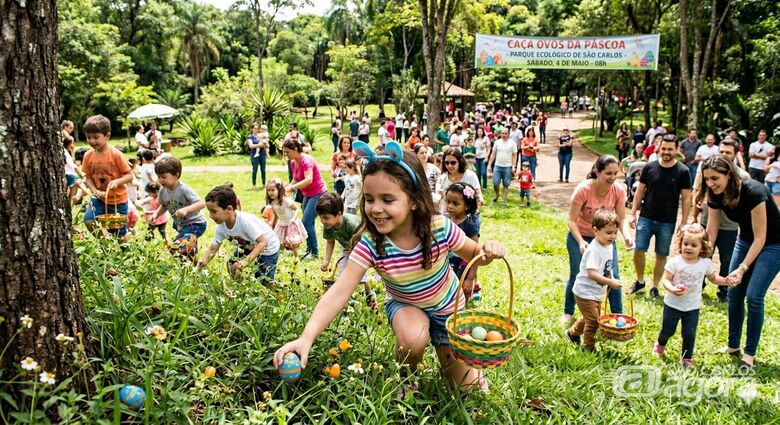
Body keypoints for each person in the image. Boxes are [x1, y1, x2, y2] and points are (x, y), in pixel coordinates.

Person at [273, 141, 507, 394]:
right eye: (369, 199)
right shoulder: (372, 244)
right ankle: (407, 378)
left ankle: (467, 371)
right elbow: (339, 291)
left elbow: (475, 255)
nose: (375, 208)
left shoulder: (439, 227)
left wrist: (488, 251)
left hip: (449, 310)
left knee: (464, 389)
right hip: (406, 306)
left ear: (414, 200)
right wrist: (306, 337)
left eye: (387, 199)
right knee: (413, 338)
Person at [700, 156, 780, 370]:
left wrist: (742, 268)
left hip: (773, 244)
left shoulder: (754, 191)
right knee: (734, 293)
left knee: (754, 296)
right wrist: (703, 259)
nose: (710, 183)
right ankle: (733, 345)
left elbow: (760, 237)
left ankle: (750, 353)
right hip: (745, 240)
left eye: (715, 178)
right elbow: (711, 231)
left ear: (729, 174)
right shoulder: (715, 194)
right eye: (706, 179)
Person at [563, 155, 633, 323]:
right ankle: (568, 312)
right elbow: (571, 220)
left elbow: (621, 218)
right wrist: (581, 241)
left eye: (615, 173)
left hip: (605, 239)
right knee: (577, 274)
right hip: (580, 236)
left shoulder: (618, 190)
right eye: (608, 173)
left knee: (613, 275)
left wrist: (627, 236)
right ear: (597, 171)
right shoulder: (584, 189)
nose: (613, 177)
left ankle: (618, 316)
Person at [652, 224, 733, 366]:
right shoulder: (675, 262)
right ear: (681, 244)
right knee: (668, 330)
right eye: (685, 244)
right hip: (672, 305)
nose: (688, 247)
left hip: (692, 307)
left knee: (689, 334)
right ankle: (660, 344)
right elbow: (666, 280)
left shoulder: (705, 263)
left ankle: (686, 358)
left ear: (702, 247)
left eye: (694, 245)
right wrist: (672, 289)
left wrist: (727, 281)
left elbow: (713, 278)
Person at [629, 135, 692, 298]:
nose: (666, 152)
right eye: (663, 148)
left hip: (667, 221)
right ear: (659, 148)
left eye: (670, 149)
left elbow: (686, 198)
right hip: (646, 217)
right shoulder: (649, 167)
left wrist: (684, 222)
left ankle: (655, 286)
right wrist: (633, 213)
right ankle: (640, 281)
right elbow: (640, 191)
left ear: (677, 150)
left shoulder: (683, 171)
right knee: (639, 249)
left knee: (661, 254)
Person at [691, 139, 750, 302]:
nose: (724, 155)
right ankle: (697, 286)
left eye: (728, 152)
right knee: (703, 254)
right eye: (721, 152)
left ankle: (724, 292)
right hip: (707, 221)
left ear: (736, 155)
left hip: (730, 226)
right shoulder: (708, 170)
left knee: (727, 260)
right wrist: (694, 215)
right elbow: (698, 191)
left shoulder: (743, 177)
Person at [564, 209, 624, 351]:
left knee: (588, 317)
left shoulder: (609, 246)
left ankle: (572, 333)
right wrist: (610, 282)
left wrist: (612, 278)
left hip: (596, 292)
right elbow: (592, 274)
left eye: (615, 232)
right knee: (593, 321)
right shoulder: (594, 250)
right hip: (584, 292)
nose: (613, 236)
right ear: (596, 231)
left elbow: (608, 266)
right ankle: (588, 347)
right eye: (609, 233)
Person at [197, 184, 280, 285]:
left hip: (268, 248)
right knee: (231, 265)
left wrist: (246, 261)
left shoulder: (245, 222)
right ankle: (239, 286)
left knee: (263, 280)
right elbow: (213, 249)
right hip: (249, 246)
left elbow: (263, 242)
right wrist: (204, 260)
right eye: (209, 211)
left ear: (229, 209)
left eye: (214, 211)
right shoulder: (221, 227)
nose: (210, 215)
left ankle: (274, 291)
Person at [316, 193, 376, 308]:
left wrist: (354, 250)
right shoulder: (328, 226)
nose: (323, 221)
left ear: (338, 214)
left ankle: (370, 297)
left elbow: (364, 241)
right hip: (346, 248)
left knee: (361, 277)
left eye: (326, 218)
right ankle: (345, 302)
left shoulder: (351, 224)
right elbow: (330, 242)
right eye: (321, 217)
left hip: (361, 248)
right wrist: (326, 261)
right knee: (342, 277)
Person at [81, 115, 134, 241]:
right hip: (99, 199)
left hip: (118, 201)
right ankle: (106, 243)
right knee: (89, 220)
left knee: (120, 235)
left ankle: (124, 248)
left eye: (96, 137)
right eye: (88, 137)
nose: (92, 141)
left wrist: (117, 181)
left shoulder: (116, 154)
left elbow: (130, 176)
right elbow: (88, 177)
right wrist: (95, 191)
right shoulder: (88, 156)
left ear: (107, 136)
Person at [151, 156, 207, 257]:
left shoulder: (184, 189)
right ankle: (195, 262)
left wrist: (186, 209)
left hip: (195, 223)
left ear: (176, 175)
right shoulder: (162, 190)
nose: (160, 180)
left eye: (164, 177)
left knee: (175, 247)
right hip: (182, 225)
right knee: (187, 251)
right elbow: (164, 205)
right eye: (159, 177)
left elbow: (202, 204)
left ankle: (188, 258)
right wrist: (156, 214)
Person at [283, 138, 326, 259]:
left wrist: (292, 188)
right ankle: (309, 250)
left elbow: (309, 179)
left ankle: (314, 253)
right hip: (307, 195)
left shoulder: (306, 161)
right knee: (309, 222)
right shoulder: (293, 162)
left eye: (287, 152)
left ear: (296, 149)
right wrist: (287, 187)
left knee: (306, 222)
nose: (286, 154)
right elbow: (296, 178)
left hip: (318, 193)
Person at [444, 182, 481, 301]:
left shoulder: (470, 226)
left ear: (467, 206)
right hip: (447, 263)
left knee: (459, 295)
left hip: (463, 266)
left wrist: (470, 279)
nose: (450, 206)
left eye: (455, 203)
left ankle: (472, 291)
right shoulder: (445, 221)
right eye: (448, 201)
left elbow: (475, 255)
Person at [266, 179, 307, 257]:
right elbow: (276, 214)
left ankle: (296, 259)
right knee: (279, 243)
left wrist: (293, 219)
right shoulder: (272, 202)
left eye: (273, 190)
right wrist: (273, 224)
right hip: (281, 225)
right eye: (269, 190)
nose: (270, 192)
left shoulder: (285, 200)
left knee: (293, 244)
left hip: (291, 224)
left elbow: (297, 209)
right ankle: (277, 258)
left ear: (279, 190)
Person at [486, 128, 517, 204]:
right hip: (497, 166)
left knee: (506, 184)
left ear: (508, 134)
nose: (504, 135)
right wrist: (489, 164)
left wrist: (513, 166)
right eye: (502, 133)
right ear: (500, 134)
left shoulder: (512, 143)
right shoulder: (497, 142)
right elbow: (493, 154)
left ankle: (504, 200)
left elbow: (514, 155)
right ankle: (497, 194)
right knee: (495, 183)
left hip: (507, 166)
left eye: (505, 133)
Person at [247, 123, 268, 189]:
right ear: (252, 129)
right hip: (254, 155)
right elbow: (251, 146)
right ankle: (254, 184)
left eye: (257, 128)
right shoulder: (250, 137)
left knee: (263, 170)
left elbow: (265, 144)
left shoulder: (261, 135)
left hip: (262, 154)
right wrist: (259, 145)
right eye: (255, 128)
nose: (256, 130)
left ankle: (264, 184)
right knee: (255, 170)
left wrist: (263, 146)